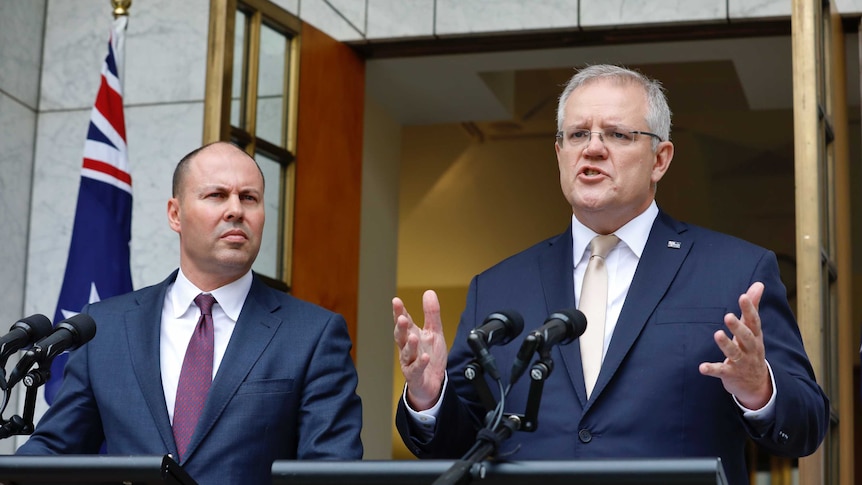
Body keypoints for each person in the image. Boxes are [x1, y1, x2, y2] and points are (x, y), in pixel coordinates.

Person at [393, 64, 829, 485]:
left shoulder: (736, 271)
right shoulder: (497, 287)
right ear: (560, 153)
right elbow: (459, 443)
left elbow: (807, 424)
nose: (594, 148)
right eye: (578, 134)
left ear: (660, 158)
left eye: (618, 134)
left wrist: (760, 389)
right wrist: (429, 397)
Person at [17, 141, 363, 483]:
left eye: (249, 198)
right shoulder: (105, 326)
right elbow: (54, 451)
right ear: (175, 214)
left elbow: (330, 470)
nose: (235, 211)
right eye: (216, 195)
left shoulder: (313, 334)